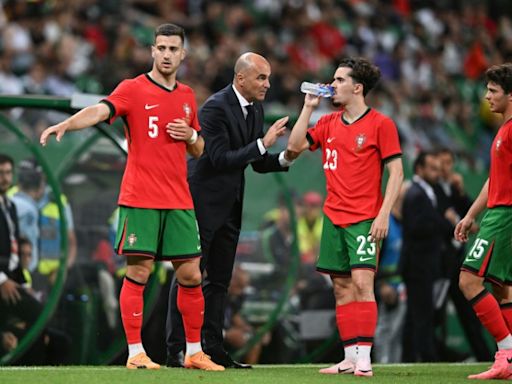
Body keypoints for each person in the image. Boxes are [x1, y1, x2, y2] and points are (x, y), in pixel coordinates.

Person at [39, 23, 224, 371]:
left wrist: (190, 137)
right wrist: (68, 123)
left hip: (179, 199)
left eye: (173, 49)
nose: (167, 54)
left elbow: (199, 150)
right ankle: (136, 352)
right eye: (161, 48)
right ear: (152, 51)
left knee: (191, 275)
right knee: (139, 272)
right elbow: (101, 110)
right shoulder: (133, 89)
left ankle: (195, 352)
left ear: (183, 54)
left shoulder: (186, 96)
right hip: (141, 196)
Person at [166, 52, 291, 369]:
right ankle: (176, 350)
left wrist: (285, 157)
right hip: (202, 202)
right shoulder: (214, 108)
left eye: (268, 77)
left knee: (219, 280)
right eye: (261, 77)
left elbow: (258, 163)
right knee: (189, 274)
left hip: (231, 205)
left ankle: (213, 349)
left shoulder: (255, 108)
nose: (267, 83)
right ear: (241, 78)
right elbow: (218, 158)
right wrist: (264, 142)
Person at [285, 57, 404, 376]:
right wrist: (308, 107)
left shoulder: (381, 124)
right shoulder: (326, 123)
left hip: (365, 218)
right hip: (333, 218)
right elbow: (294, 147)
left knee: (364, 283)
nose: (332, 84)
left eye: (339, 80)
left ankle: (364, 357)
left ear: (357, 87)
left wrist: (384, 215)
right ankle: (350, 356)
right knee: (340, 288)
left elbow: (396, 173)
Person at [455, 63, 512, 380]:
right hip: (497, 212)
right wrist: (471, 214)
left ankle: (507, 353)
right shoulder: (503, 129)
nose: (486, 96)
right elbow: (495, 179)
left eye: (493, 91)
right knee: (503, 289)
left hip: (506, 215)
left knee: (468, 280)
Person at [400, 151, 457, 362]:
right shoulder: (416, 194)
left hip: (423, 263)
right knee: (421, 314)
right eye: (432, 168)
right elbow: (417, 226)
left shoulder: (426, 192)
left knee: (416, 315)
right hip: (418, 264)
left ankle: (411, 356)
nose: (436, 172)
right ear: (419, 169)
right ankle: (426, 357)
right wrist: (445, 225)